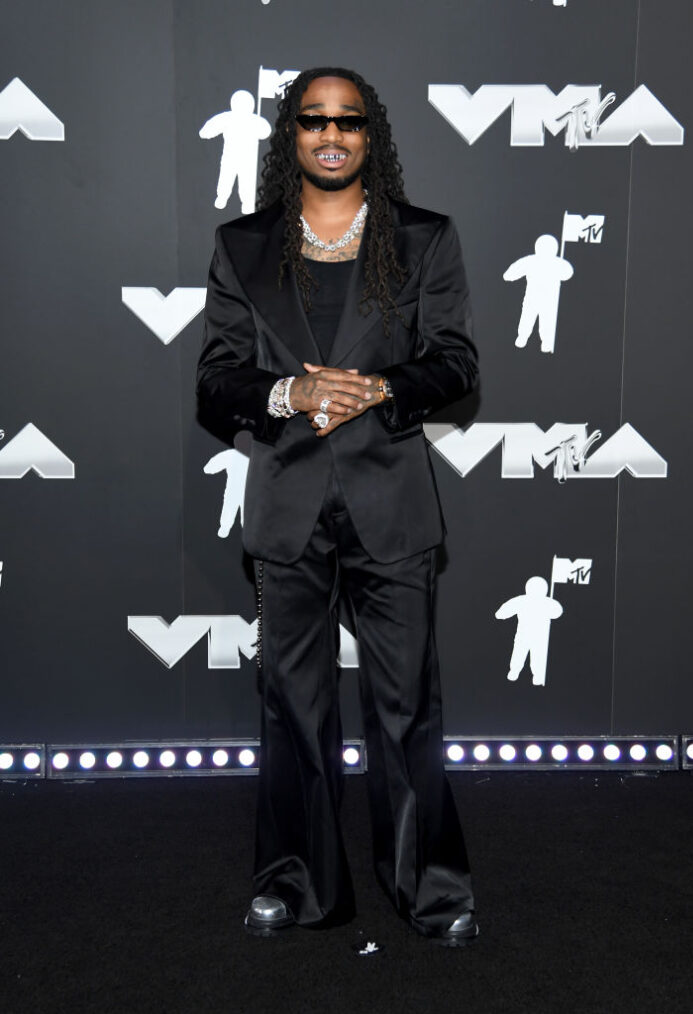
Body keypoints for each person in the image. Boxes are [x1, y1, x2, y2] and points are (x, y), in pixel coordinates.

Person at [196, 67, 479, 946]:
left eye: (348, 122)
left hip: (390, 503)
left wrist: (382, 387)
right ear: (292, 136)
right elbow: (215, 382)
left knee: (406, 710)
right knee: (291, 708)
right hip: (287, 507)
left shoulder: (423, 238)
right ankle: (295, 881)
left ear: (371, 136)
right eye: (313, 120)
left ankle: (429, 890)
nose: (330, 135)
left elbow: (458, 364)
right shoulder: (244, 246)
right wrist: (288, 393)